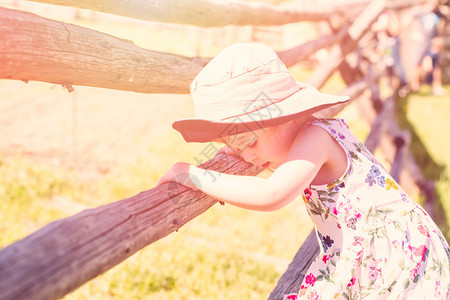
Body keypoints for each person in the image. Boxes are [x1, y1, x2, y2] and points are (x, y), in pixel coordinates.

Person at [157, 43, 450, 299]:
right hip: (381, 250)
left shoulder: (316, 138)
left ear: (284, 117)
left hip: (400, 256)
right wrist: (238, 148)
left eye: (249, 141)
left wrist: (193, 175)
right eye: (235, 145)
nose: (247, 155)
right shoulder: (309, 135)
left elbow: (272, 194)